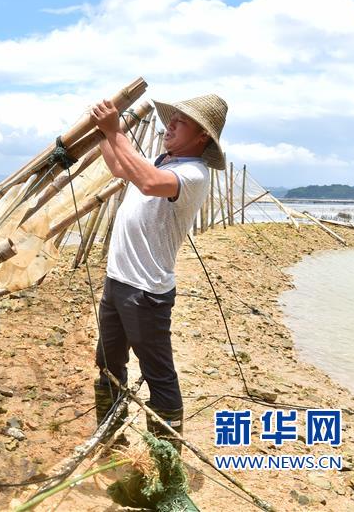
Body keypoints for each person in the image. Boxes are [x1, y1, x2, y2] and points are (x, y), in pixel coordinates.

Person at [90, 94, 227, 449]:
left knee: (158, 374)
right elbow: (122, 169)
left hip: (146, 290)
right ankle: (109, 436)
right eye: (173, 118)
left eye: (181, 122)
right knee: (107, 360)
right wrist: (105, 134)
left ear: (202, 138)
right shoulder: (162, 161)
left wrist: (114, 131)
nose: (171, 125)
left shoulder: (193, 173)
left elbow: (150, 183)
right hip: (118, 280)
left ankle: (165, 466)